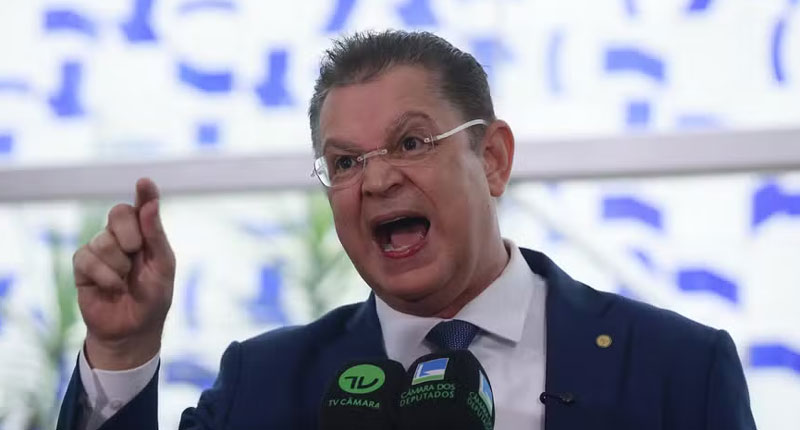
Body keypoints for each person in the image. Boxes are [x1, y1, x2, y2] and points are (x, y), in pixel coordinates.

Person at [56, 30, 756, 430]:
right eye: (345, 162)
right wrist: (122, 351)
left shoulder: (678, 369)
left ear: (492, 158)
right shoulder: (263, 383)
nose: (378, 180)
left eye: (411, 143)